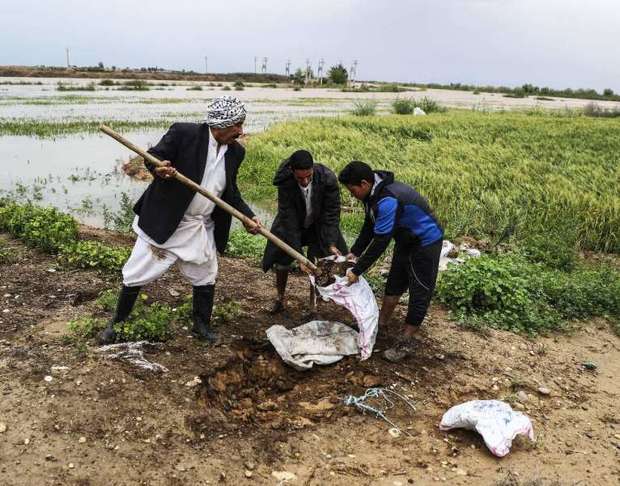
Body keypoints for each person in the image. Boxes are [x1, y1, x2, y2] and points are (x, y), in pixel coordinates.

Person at [98, 96, 261, 345]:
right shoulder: (184, 133)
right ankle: (116, 325)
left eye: (242, 124)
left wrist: (248, 216)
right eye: (237, 125)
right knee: (137, 271)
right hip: (168, 220)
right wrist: (158, 169)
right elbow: (153, 156)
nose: (240, 131)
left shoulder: (236, 152)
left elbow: (231, 192)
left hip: (200, 225)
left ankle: (201, 325)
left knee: (206, 273)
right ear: (220, 124)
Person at [338, 161, 443, 362]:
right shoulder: (372, 194)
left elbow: (380, 241)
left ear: (363, 183)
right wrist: (355, 252)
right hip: (405, 238)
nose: (352, 195)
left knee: (420, 290)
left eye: (352, 191)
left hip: (425, 241)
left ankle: (406, 339)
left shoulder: (387, 200)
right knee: (394, 282)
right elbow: (370, 225)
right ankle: (380, 323)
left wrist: (357, 270)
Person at [262, 150, 347, 314]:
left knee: (317, 261)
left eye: (309, 176)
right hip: (291, 224)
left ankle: (312, 305)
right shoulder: (285, 181)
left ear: (313, 169)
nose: (305, 181)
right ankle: (279, 298)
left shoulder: (327, 178)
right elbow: (289, 219)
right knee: (282, 257)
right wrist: (298, 255)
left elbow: (331, 213)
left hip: (318, 224)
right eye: (300, 178)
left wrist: (330, 242)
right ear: (292, 171)